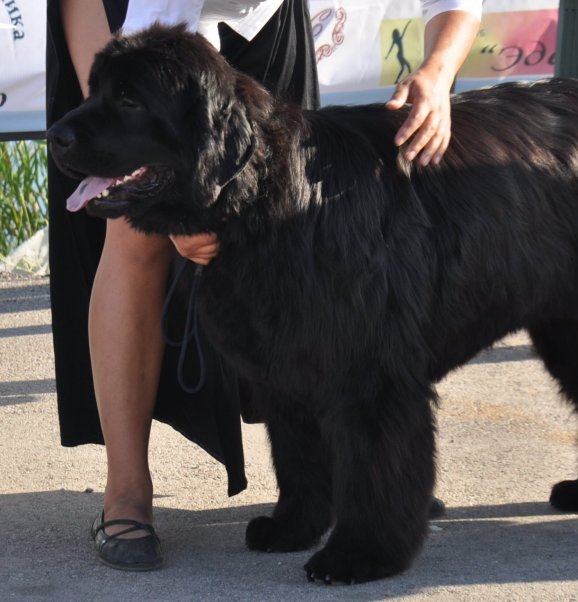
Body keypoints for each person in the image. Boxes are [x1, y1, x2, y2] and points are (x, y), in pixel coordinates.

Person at [47, 0, 480, 571]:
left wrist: (437, 73)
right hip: (129, 13)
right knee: (136, 237)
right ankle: (127, 492)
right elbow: (113, 54)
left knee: (292, 224)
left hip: (264, 17)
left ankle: (362, 481)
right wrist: (165, 191)